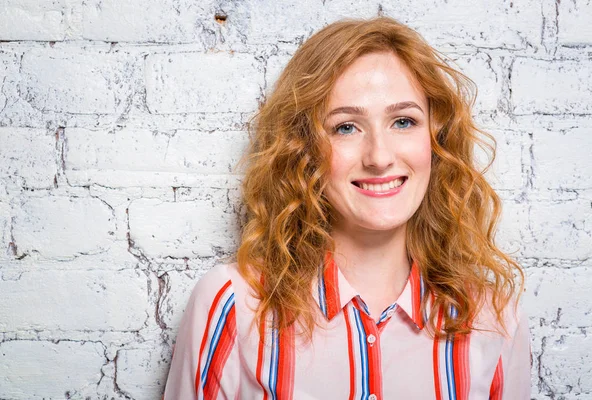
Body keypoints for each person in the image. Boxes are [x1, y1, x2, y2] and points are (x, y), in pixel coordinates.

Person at [163, 17, 531, 400]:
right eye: (345, 127)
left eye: (403, 121)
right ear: (303, 150)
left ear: (436, 140)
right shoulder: (233, 305)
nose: (379, 157)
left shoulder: (496, 321)